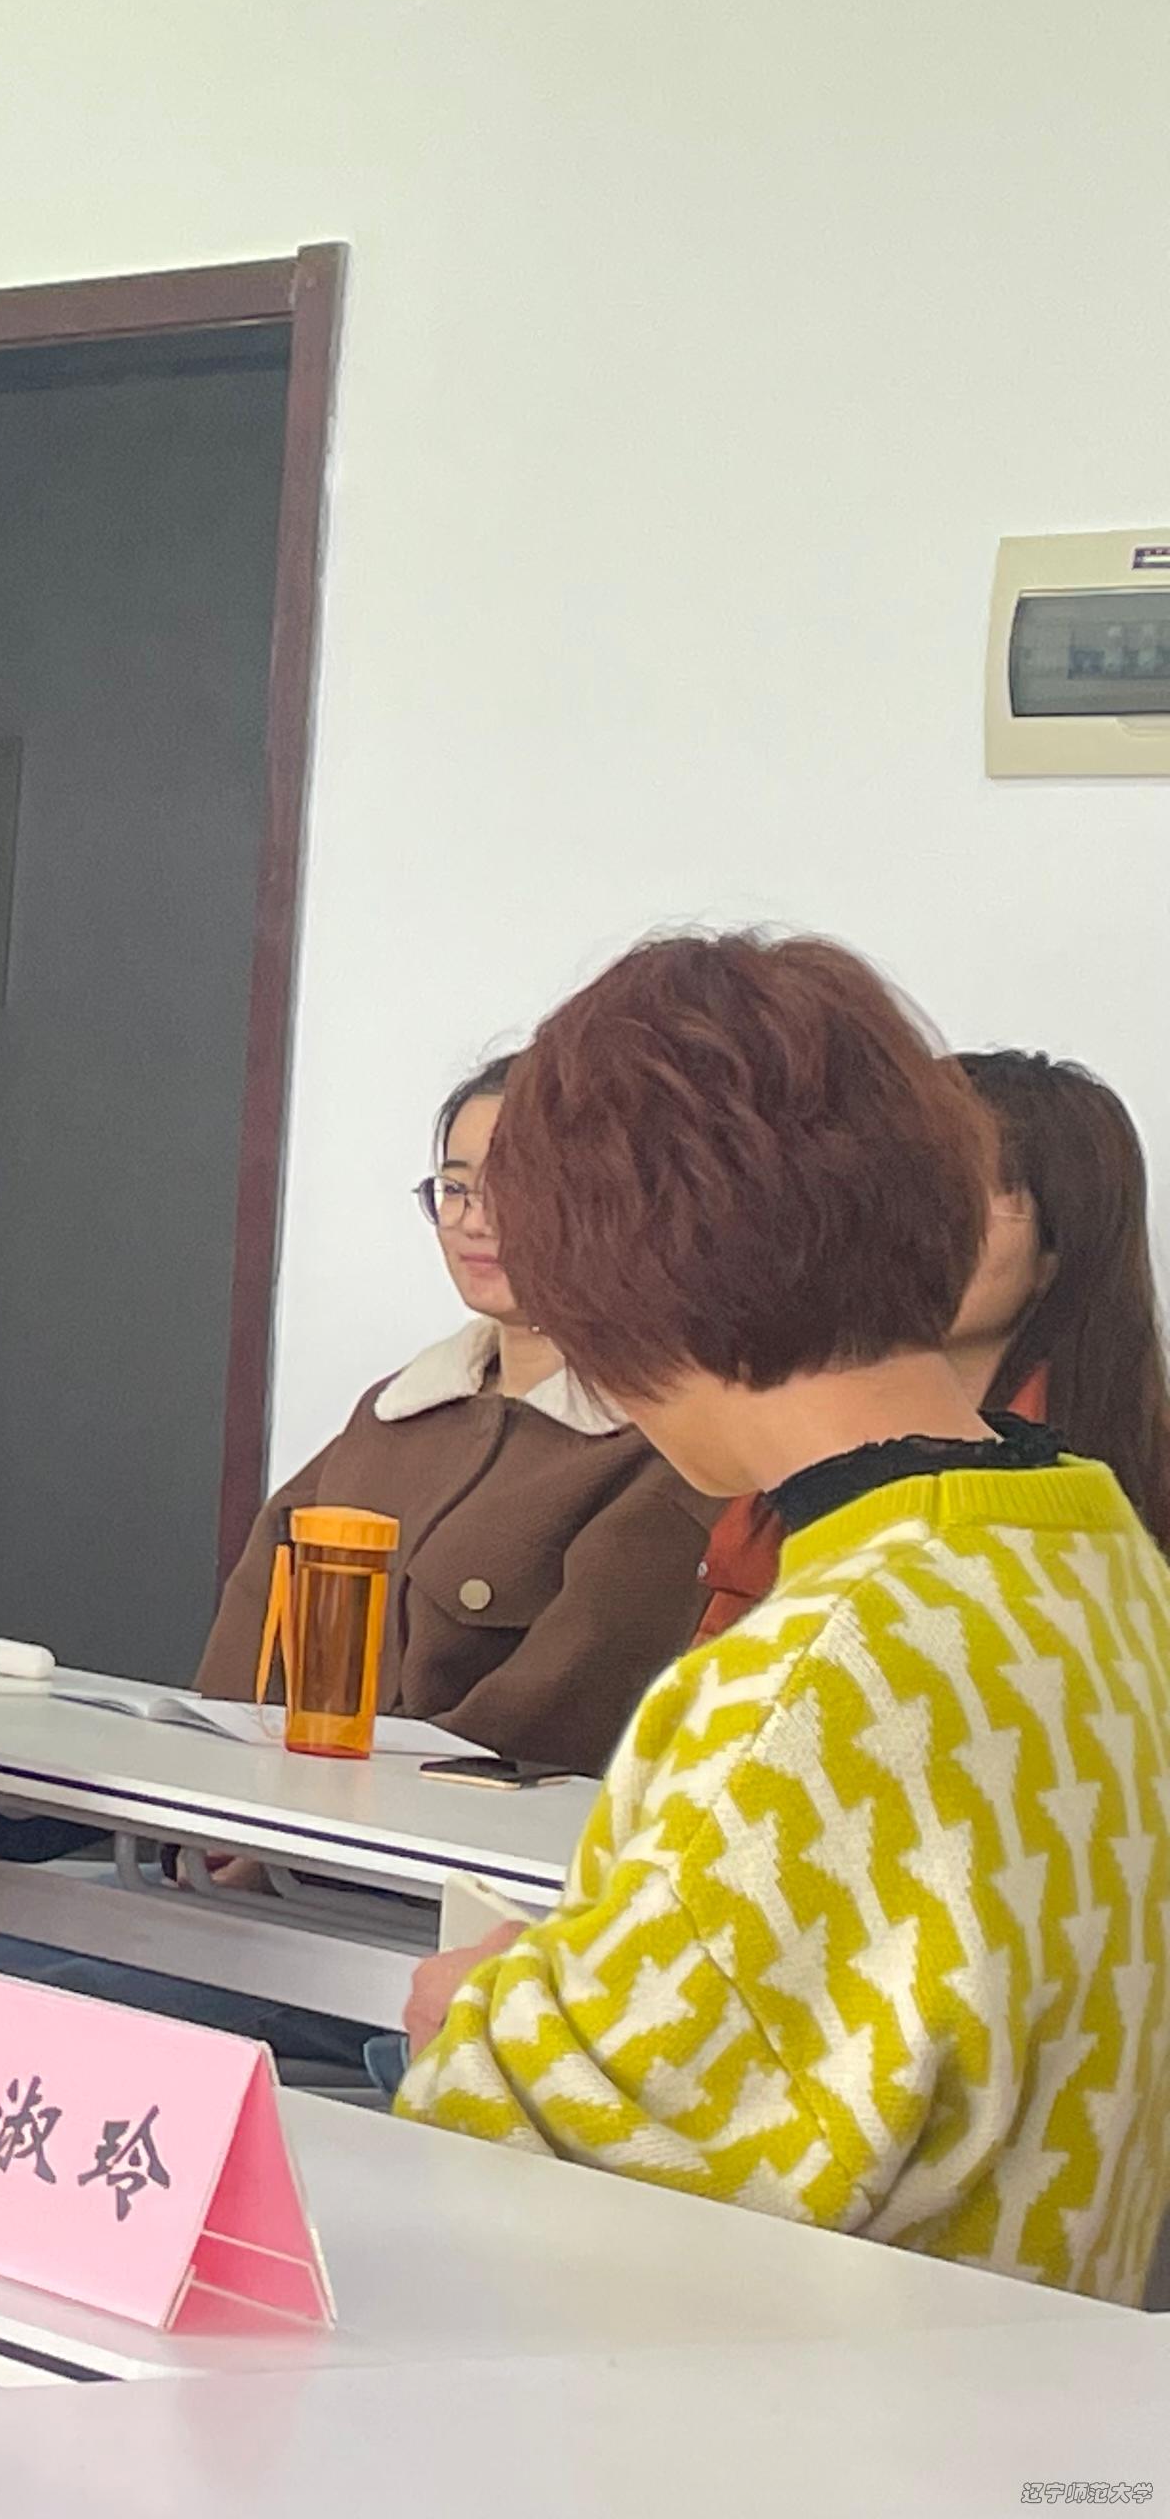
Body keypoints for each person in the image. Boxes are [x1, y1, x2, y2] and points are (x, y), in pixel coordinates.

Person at [399, 930, 1170, 2298]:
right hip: (1043, 2362)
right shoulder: (1099, 1557)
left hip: (821, 2395)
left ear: (619, 1279)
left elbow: (555, 2169)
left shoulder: (825, 1670)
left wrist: (477, 2012)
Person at [195, 1054, 724, 1776]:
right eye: (455, 1188)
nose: (476, 1221)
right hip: (278, 1824)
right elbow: (248, 1657)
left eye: (520, 1188)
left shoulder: (668, 1446)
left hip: (456, 1839)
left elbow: (551, 1721)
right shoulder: (396, 1412)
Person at [696, 1047, 1170, 1634]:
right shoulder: (757, 1435)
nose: (907, 1234)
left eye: (957, 1202)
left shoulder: (1107, 1499)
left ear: (1059, 1249)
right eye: (889, 1195)